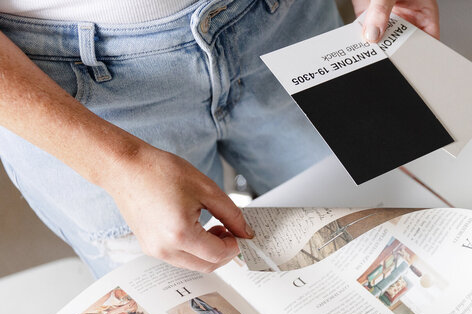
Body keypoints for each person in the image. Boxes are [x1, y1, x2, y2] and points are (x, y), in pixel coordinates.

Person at [0, 0, 440, 277]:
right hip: (65, 90)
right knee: (186, 310)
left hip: (286, 20)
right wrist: (118, 164)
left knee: (391, 232)